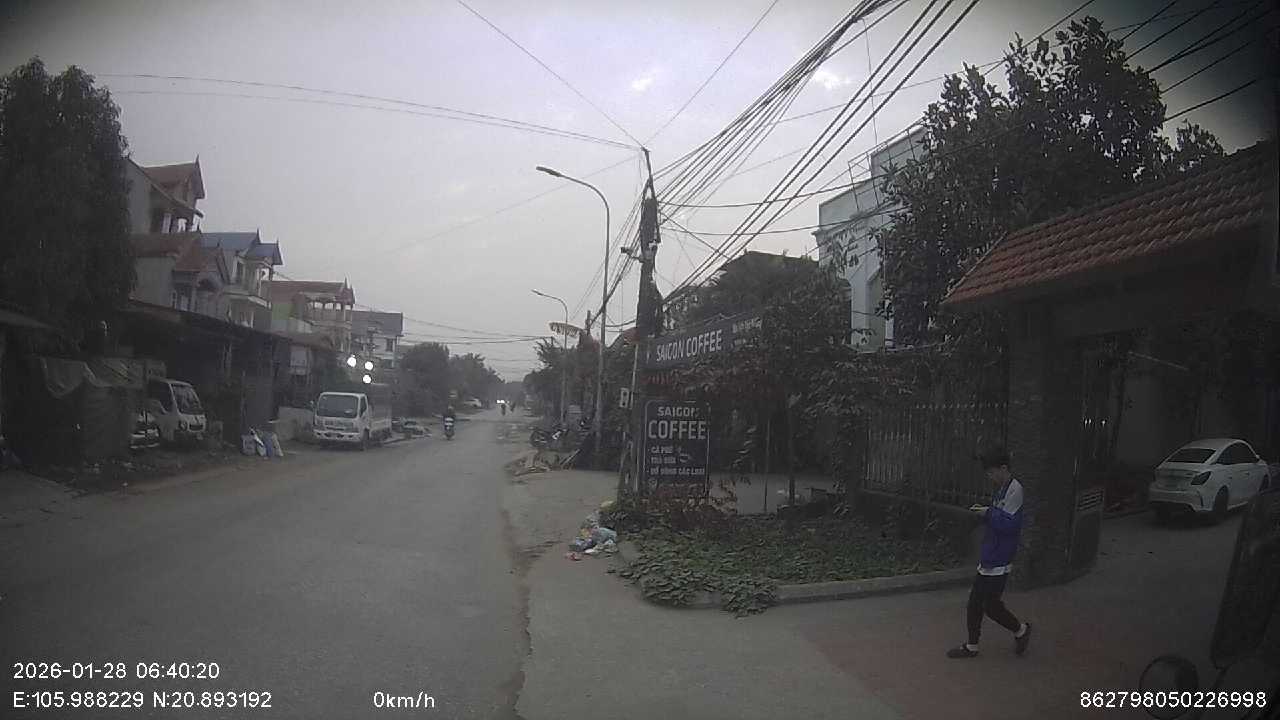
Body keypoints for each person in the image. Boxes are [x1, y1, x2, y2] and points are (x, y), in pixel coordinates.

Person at [947, 446, 1032, 659]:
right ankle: (972, 645)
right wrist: (986, 513)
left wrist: (988, 513)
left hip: (1001, 557)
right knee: (975, 602)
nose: (990, 477)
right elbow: (999, 516)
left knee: (991, 606)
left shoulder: (1015, 490)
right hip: (991, 553)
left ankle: (1021, 630)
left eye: (992, 472)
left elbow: (1010, 524)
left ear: (1003, 468)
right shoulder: (1002, 489)